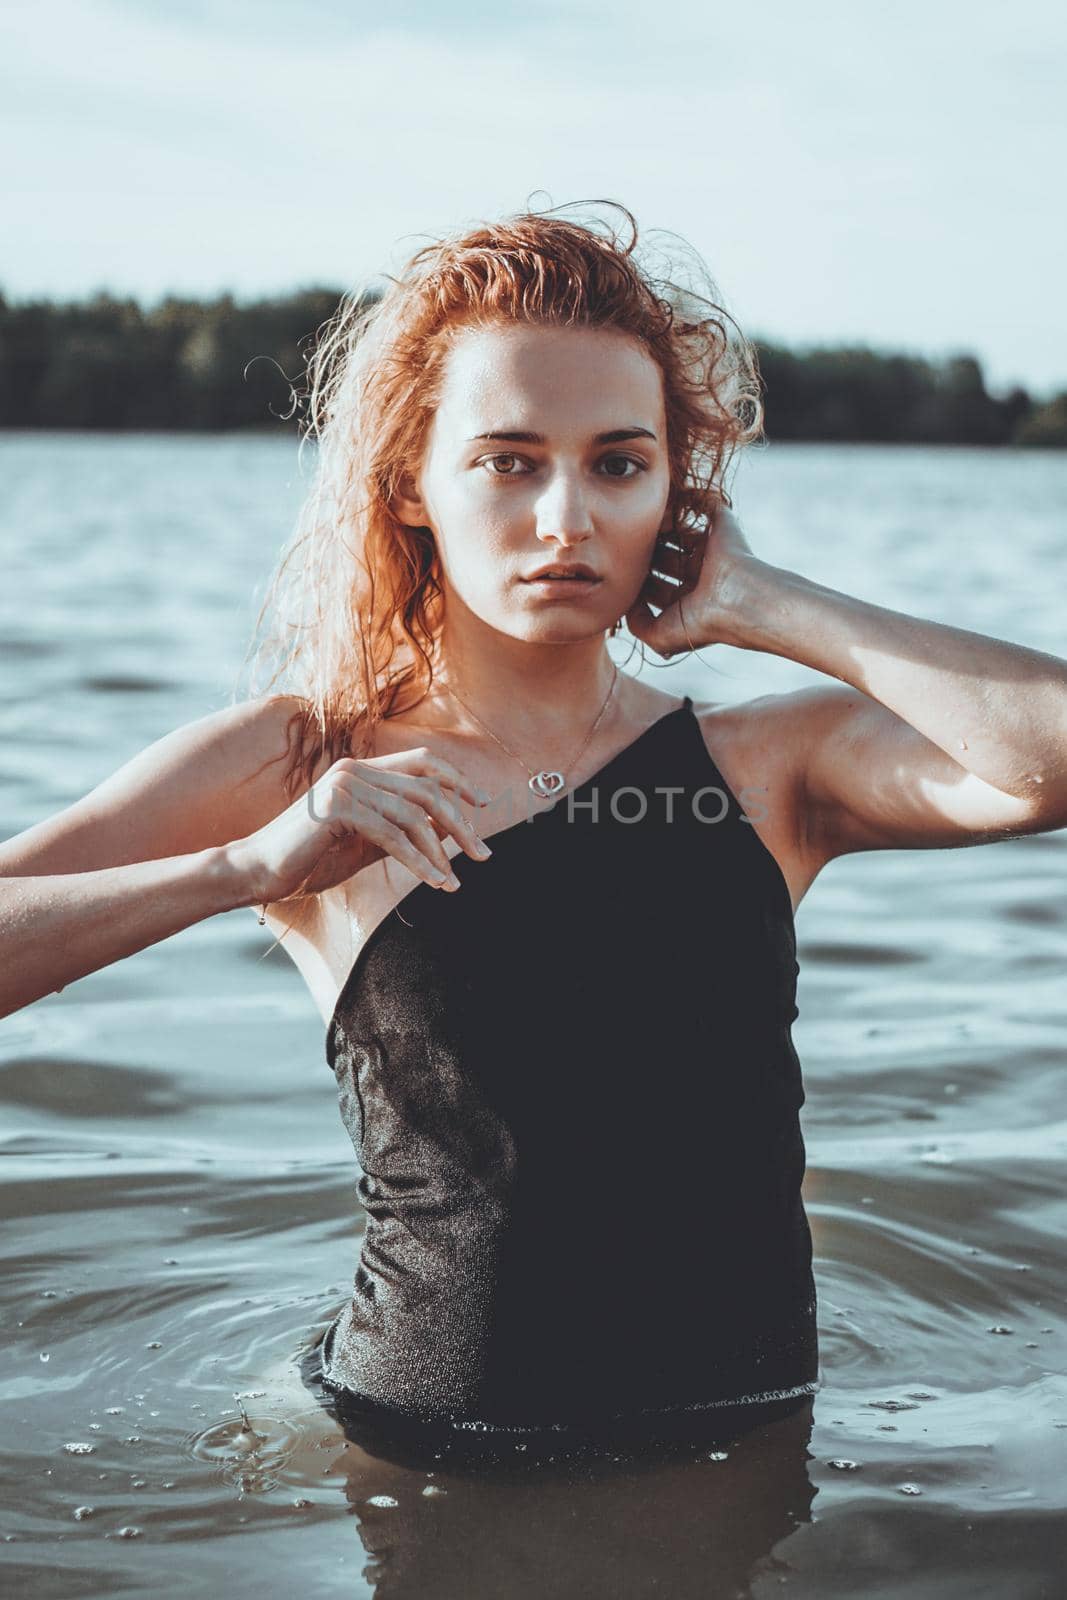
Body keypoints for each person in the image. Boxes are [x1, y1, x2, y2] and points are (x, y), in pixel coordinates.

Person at [2, 203, 1066, 1471]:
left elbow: (1040, 763)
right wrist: (248, 865)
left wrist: (764, 602)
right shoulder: (303, 760)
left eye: (619, 462)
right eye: (508, 460)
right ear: (412, 481)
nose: (567, 517)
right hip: (427, 1456)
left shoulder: (768, 767)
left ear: (678, 486)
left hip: (744, 1445)